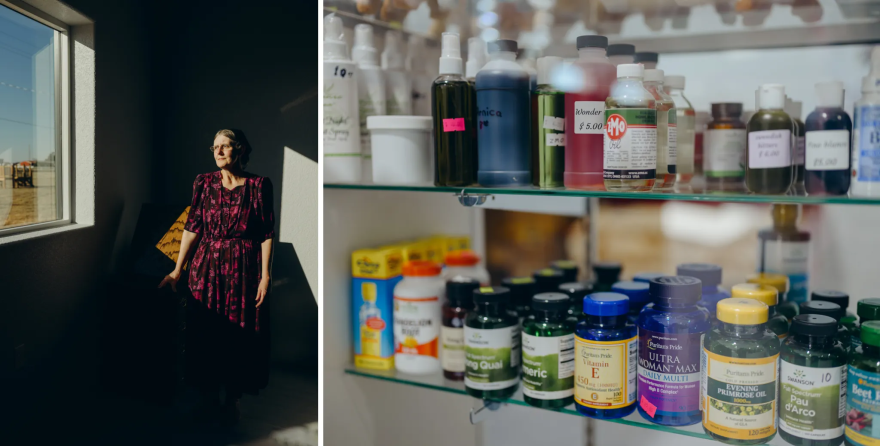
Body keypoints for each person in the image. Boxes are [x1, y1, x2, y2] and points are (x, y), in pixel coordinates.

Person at [159, 128, 274, 424]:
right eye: (215, 147)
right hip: (206, 269)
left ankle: (232, 398)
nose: (219, 151)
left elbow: (266, 233)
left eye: (225, 146)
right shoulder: (203, 183)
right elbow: (192, 226)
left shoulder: (260, 186)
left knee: (238, 334)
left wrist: (265, 276)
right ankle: (208, 397)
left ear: (241, 150)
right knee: (206, 332)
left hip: (243, 271)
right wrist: (177, 269)